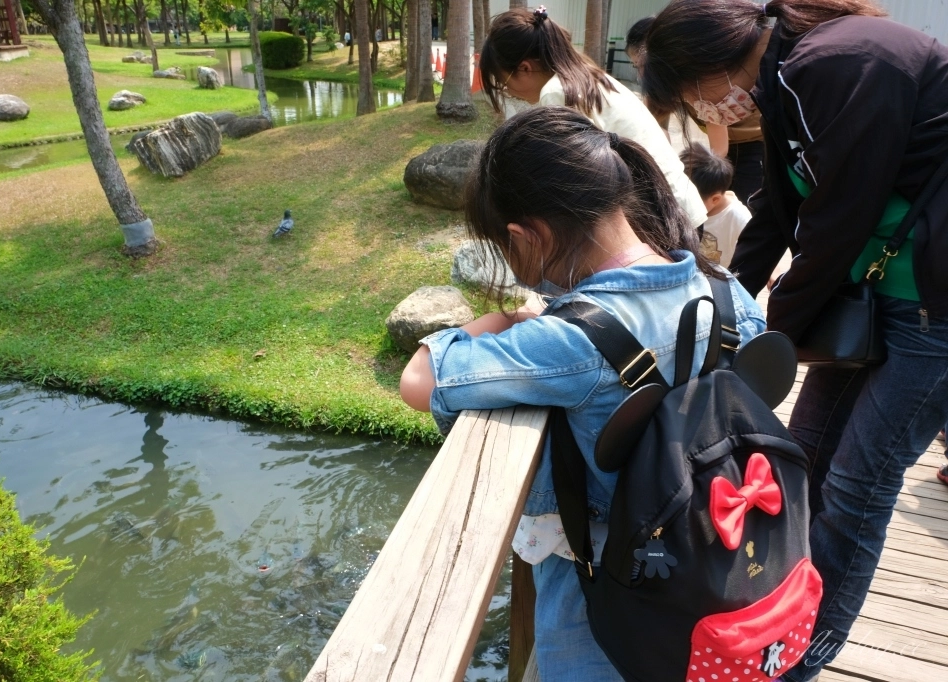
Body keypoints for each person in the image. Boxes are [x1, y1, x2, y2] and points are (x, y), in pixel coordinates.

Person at [399, 106, 766, 681]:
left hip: (605, 589)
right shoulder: (725, 292)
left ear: (527, 235)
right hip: (719, 557)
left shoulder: (571, 339)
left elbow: (419, 380)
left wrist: (502, 317)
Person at [641, 2, 948, 679]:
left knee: (860, 485)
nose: (704, 110)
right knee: (800, 462)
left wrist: (771, 338)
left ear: (707, 66)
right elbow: (784, 215)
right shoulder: (786, 76)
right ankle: (775, 618)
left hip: (936, 306)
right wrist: (711, 291)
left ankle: (796, 660)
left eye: (692, 96)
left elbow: (840, 219)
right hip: (874, 297)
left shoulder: (838, 60)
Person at [478, 7, 708, 230]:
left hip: (660, 217)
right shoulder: (588, 76)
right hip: (678, 205)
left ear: (525, 68)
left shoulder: (556, 92)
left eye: (505, 84)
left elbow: (570, 176)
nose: (509, 92)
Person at [627, 15, 764, 204]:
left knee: (741, 209)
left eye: (643, 65)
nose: (641, 75)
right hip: (722, 149)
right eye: (636, 66)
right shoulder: (662, 85)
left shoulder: (699, 81)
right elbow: (647, 128)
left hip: (750, 145)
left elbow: (719, 150)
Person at [680, 142, 751, 268]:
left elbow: (757, 246)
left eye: (691, 201)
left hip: (723, 280)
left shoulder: (738, 216)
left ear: (715, 199)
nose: (685, 206)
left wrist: (772, 273)